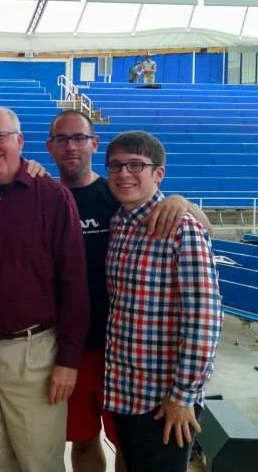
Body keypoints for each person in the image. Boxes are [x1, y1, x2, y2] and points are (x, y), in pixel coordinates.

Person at [45, 111, 212, 472]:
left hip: (138, 363)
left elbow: (204, 315)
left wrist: (182, 203)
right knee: (86, 440)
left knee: (132, 448)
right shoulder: (57, 200)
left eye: (79, 138)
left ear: (93, 143)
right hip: (80, 350)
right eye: (62, 139)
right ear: (50, 147)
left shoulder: (123, 199)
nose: (71, 146)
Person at [0, 106, 89, 472]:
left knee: (39, 463)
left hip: (35, 352)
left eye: (0, 137)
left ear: (19, 141)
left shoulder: (54, 197)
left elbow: (74, 282)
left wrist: (68, 361)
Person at [103, 130, 222, 472]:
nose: (124, 173)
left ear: (159, 174)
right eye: (116, 165)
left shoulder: (181, 228)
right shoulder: (119, 223)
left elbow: (205, 319)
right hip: (126, 389)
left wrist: (183, 396)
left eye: (136, 165)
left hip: (164, 400)